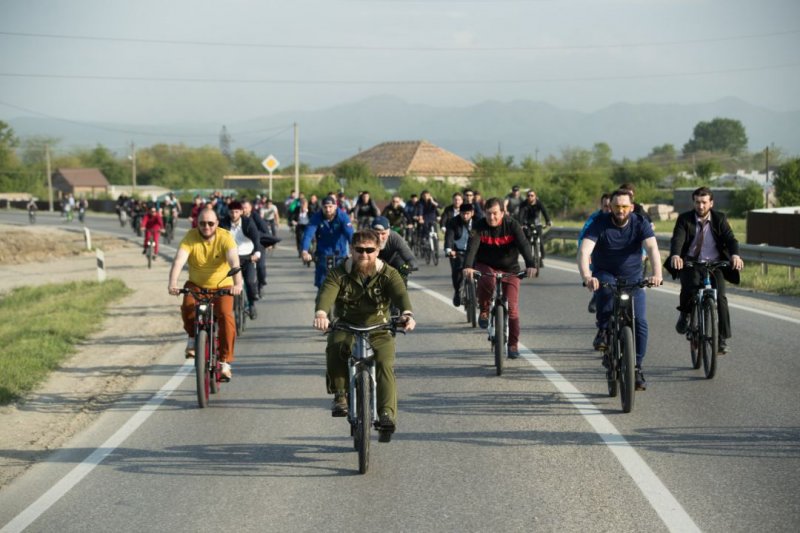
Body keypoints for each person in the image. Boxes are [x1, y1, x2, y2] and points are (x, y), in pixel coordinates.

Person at [312, 230, 416, 437]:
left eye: (370, 250)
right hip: (346, 326)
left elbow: (400, 294)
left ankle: (386, 413)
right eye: (359, 250)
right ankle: (341, 395)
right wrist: (321, 313)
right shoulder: (339, 273)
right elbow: (326, 293)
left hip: (379, 328)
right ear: (351, 250)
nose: (364, 254)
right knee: (335, 348)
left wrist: (407, 314)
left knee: (385, 363)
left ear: (378, 251)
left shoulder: (388, 273)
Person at [577, 189, 663, 391]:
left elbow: (652, 248)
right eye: (616, 206)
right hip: (605, 272)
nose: (620, 210)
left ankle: (637, 367)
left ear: (631, 207)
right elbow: (584, 250)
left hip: (633, 277)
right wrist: (587, 277)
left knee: (640, 322)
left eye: (625, 206)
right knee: (605, 292)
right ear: (611, 207)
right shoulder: (601, 223)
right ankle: (604, 332)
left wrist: (657, 274)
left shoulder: (640, 222)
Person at [666, 186, 744, 354]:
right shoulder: (684, 219)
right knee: (689, 287)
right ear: (693, 202)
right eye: (697, 202)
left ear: (711, 203)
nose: (700, 206)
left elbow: (731, 239)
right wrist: (676, 255)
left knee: (721, 297)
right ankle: (685, 314)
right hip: (691, 263)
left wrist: (735, 255)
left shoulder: (720, 218)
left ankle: (721, 339)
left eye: (704, 202)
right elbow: (677, 239)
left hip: (714, 265)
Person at [168, 208, 243, 380]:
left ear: (217, 223)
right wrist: (173, 283)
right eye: (202, 223)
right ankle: (193, 337)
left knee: (225, 316)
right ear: (197, 223)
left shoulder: (225, 237)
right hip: (196, 285)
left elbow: (234, 260)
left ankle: (225, 362)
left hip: (223, 286)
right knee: (187, 307)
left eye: (210, 223)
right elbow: (179, 260)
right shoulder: (190, 237)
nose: (206, 227)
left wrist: (238, 283)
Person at [463, 198, 537, 359]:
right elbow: (472, 247)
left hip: (510, 269)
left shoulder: (512, 225)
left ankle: (512, 345)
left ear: (502, 213)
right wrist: (467, 266)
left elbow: (524, 244)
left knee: (512, 310)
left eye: (495, 213)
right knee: (486, 281)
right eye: (488, 214)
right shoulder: (479, 226)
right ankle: (484, 310)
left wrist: (531, 264)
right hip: (485, 265)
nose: (492, 217)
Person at [220, 201, 265, 318]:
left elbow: (256, 238)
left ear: (241, 212)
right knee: (226, 284)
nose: (234, 214)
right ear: (228, 212)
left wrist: (257, 252)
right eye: (231, 212)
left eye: (236, 212)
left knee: (250, 282)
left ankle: (251, 305)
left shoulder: (247, 222)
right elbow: (217, 239)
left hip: (248, 257)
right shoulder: (224, 223)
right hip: (231, 258)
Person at [301, 196, 354, 288]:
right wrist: (305, 251)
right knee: (322, 285)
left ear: (335, 206)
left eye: (330, 206)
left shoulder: (343, 217)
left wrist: (353, 250)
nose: (328, 209)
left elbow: (350, 234)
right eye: (325, 207)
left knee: (343, 284)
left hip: (340, 255)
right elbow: (308, 234)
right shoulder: (316, 217)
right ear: (322, 207)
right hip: (323, 254)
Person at [578, 193, 612, 313]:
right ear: (601, 206)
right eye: (605, 206)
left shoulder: (623, 218)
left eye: (610, 206)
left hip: (619, 259)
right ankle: (596, 296)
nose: (608, 209)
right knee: (599, 277)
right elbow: (583, 237)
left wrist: (642, 253)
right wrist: (586, 255)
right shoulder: (595, 219)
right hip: (598, 254)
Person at [444, 202, 474, 306]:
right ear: (459, 213)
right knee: (457, 273)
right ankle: (457, 292)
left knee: (482, 271)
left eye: (467, 213)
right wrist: (448, 249)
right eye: (463, 213)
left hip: (473, 252)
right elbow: (449, 236)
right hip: (458, 251)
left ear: (472, 213)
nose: (465, 216)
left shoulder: (478, 221)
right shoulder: (453, 221)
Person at [517, 189, 552, 266]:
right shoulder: (523, 204)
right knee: (528, 241)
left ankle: (541, 258)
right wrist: (520, 224)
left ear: (535, 196)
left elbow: (544, 212)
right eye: (528, 195)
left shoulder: (539, 203)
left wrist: (548, 221)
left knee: (541, 241)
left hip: (537, 223)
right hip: (527, 224)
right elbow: (520, 215)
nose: (530, 197)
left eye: (532, 195)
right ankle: (530, 259)